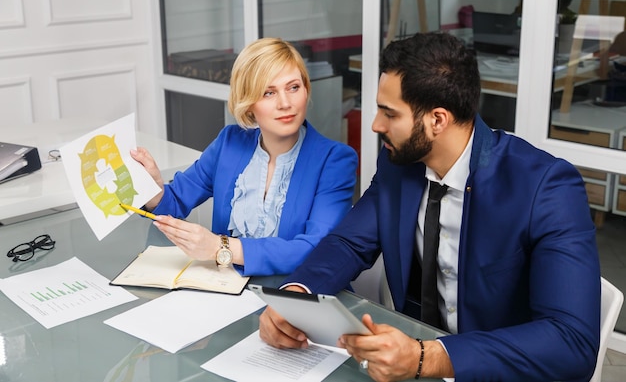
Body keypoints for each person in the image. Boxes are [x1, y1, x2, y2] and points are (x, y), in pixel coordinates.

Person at [258, 32, 601, 381]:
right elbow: (348, 242)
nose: (376, 125)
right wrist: (296, 297)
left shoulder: (547, 187)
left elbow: (571, 342)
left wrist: (429, 357)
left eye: (389, 113)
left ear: (437, 120)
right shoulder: (399, 164)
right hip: (404, 360)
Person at [131, 37, 358, 276]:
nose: (285, 103)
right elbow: (175, 202)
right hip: (227, 289)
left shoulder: (335, 160)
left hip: (297, 295)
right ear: (248, 103)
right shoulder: (229, 143)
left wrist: (221, 247)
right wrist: (155, 191)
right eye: (269, 92)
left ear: (306, 89)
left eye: (293, 87)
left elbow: (316, 248)